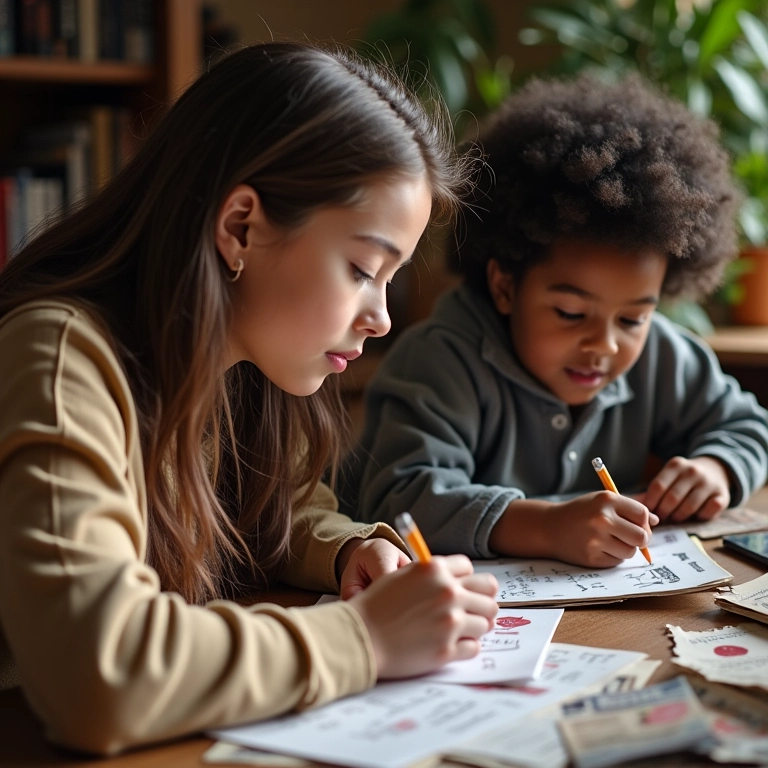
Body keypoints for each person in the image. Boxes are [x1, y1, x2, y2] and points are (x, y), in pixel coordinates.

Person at [0, 42, 499, 755]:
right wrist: (364, 637)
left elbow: (281, 508)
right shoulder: (59, 357)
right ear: (240, 226)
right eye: (363, 268)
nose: (382, 317)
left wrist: (346, 550)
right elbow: (97, 674)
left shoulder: (244, 359)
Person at [343, 73, 768, 569]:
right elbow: (400, 500)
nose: (604, 344)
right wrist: (546, 526)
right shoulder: (440, 361)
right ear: (504, 286)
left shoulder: (660, 355)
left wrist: (717, 468)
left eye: (633, 317)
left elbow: (748, 425)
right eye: (570, 313)